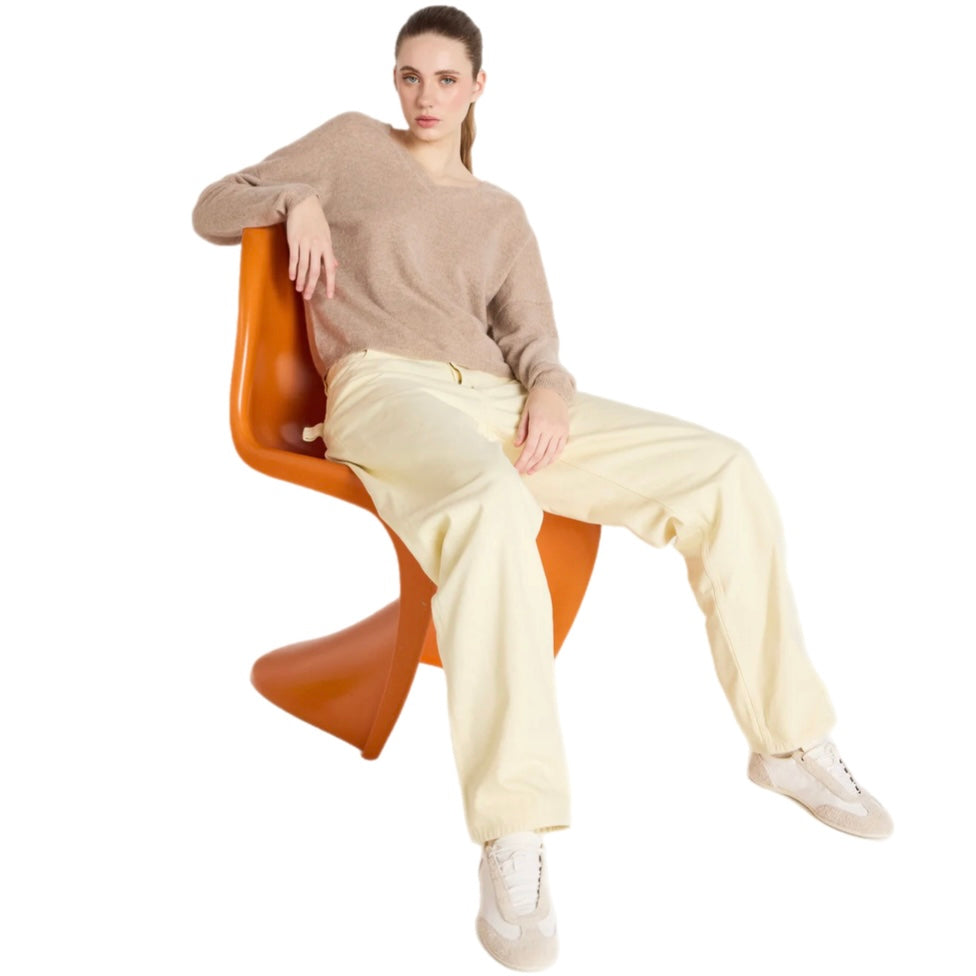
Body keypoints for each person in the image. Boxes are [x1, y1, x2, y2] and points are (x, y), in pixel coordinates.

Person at [191, 5, 893, 970]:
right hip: (383, 388)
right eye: (409, 75)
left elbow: (533, 340)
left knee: (722, 470)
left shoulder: (501, 214)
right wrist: (291, 199)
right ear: (393, 80)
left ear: (479, 86)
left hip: (501, 398)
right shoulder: (351, 146)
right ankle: (513, 834)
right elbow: (212, 207)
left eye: (446, 79)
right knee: (492, 506)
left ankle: (789, 743)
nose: (425, 96)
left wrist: (551, 393)